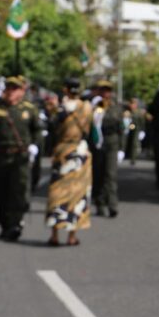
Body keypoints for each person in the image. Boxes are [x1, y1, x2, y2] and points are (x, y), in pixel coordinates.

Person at [0, 76, 42, 241]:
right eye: (8, 88)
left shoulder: (29, 108)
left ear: (22, 91)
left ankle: (16, 224)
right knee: (1, 191)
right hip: (0, 155)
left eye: (14, 88)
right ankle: (5, 225)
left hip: (20, 155)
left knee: (19, 191)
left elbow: (37, 129)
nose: (10, 91)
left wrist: (34, 145)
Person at [45, 79, 93, 246]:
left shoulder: (60, 108)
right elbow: (90, 128)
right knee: (78, 194)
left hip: (63, 150)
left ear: (65, 90)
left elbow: (52, 127)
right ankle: (72, 235)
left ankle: (55, 234)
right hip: (81, 150)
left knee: (57, 192)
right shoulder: (87, 107)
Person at [92, 81, 123, 218]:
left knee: (111, 174)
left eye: (108, 90)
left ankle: (112, 205)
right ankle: (99, 202)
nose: (106, 93)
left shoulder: (116, 106)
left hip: (112, 142)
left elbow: (121, 127)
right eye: (103, 90)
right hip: (98, 143)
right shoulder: (95, 106)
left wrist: (122, 147)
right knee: (98, 174)